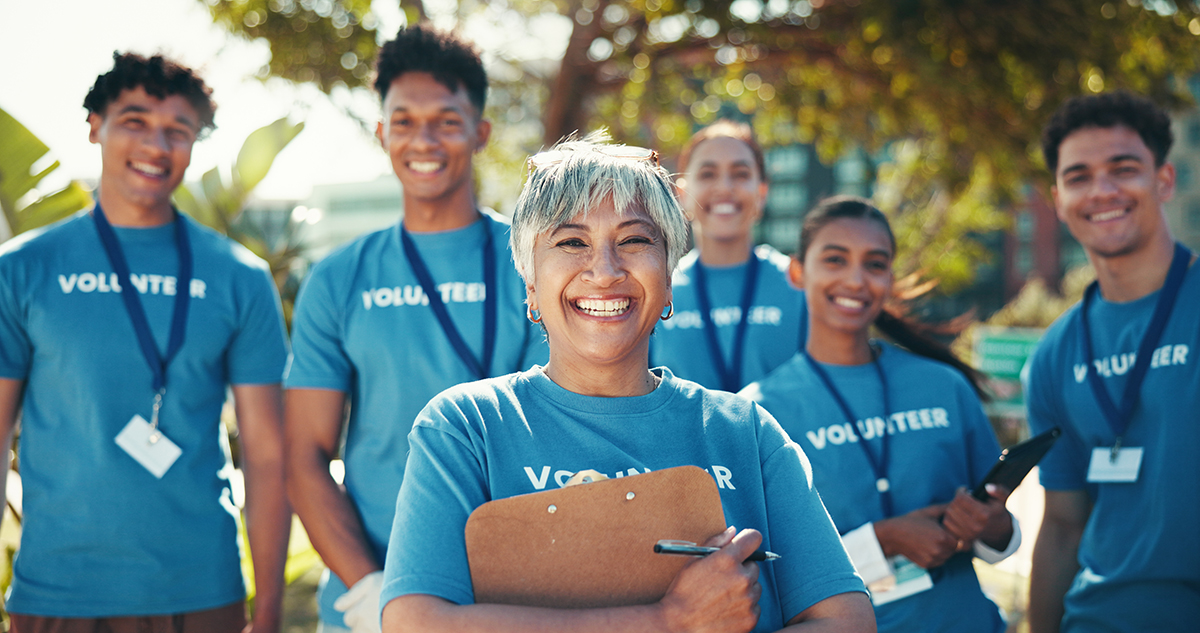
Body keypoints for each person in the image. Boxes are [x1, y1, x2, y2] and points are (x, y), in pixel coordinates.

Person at [378, 134, 876, 633]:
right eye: (571, 242)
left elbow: (847, 620)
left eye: (634, 241)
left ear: (668, 280)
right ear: (530, 283)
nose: (604, 271)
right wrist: (669, 621)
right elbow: (415, 622)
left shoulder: (745, 431)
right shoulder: (467, 427)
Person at [0, 52, 290, 632]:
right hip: (56, 594)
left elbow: (265, 455)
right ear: (95, 127)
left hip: (201, 591)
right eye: (134, 121)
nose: (156, 145)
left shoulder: (239, 276)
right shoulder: (23, 269)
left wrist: (271, 609)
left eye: (177, 131)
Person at [284, 25, 547, 633]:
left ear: (480, 132)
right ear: (382, 133)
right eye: (404, 121)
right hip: (370, 601)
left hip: (517, 596)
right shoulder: (339, 277)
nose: (423, 139)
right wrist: (370, 589)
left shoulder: (539, 262)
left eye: (446, 121)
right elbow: (303, 455)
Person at [741, 196, 1019, 632]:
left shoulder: (944, 386)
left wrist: (995, 526)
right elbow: (766, 574)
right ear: (797, 272)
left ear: (890, 278)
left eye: (874, 264)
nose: (855, 279)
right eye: (835, 259)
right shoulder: (755, 413)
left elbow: (999, 535)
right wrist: (882, 542)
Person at [1026, 92, 1200, 632]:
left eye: (1124, 170)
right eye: (1079, 176)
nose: (1102, 190)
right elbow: (1061, 526)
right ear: (1058, 199)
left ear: (1164, 181)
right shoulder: (1056, 351)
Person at [651, 120, 807, 392]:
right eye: (708, 174)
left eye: (740, 174)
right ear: (682, 194)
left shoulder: (798, 285)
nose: (724, 187)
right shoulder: (656, 289)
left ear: (762, 192)